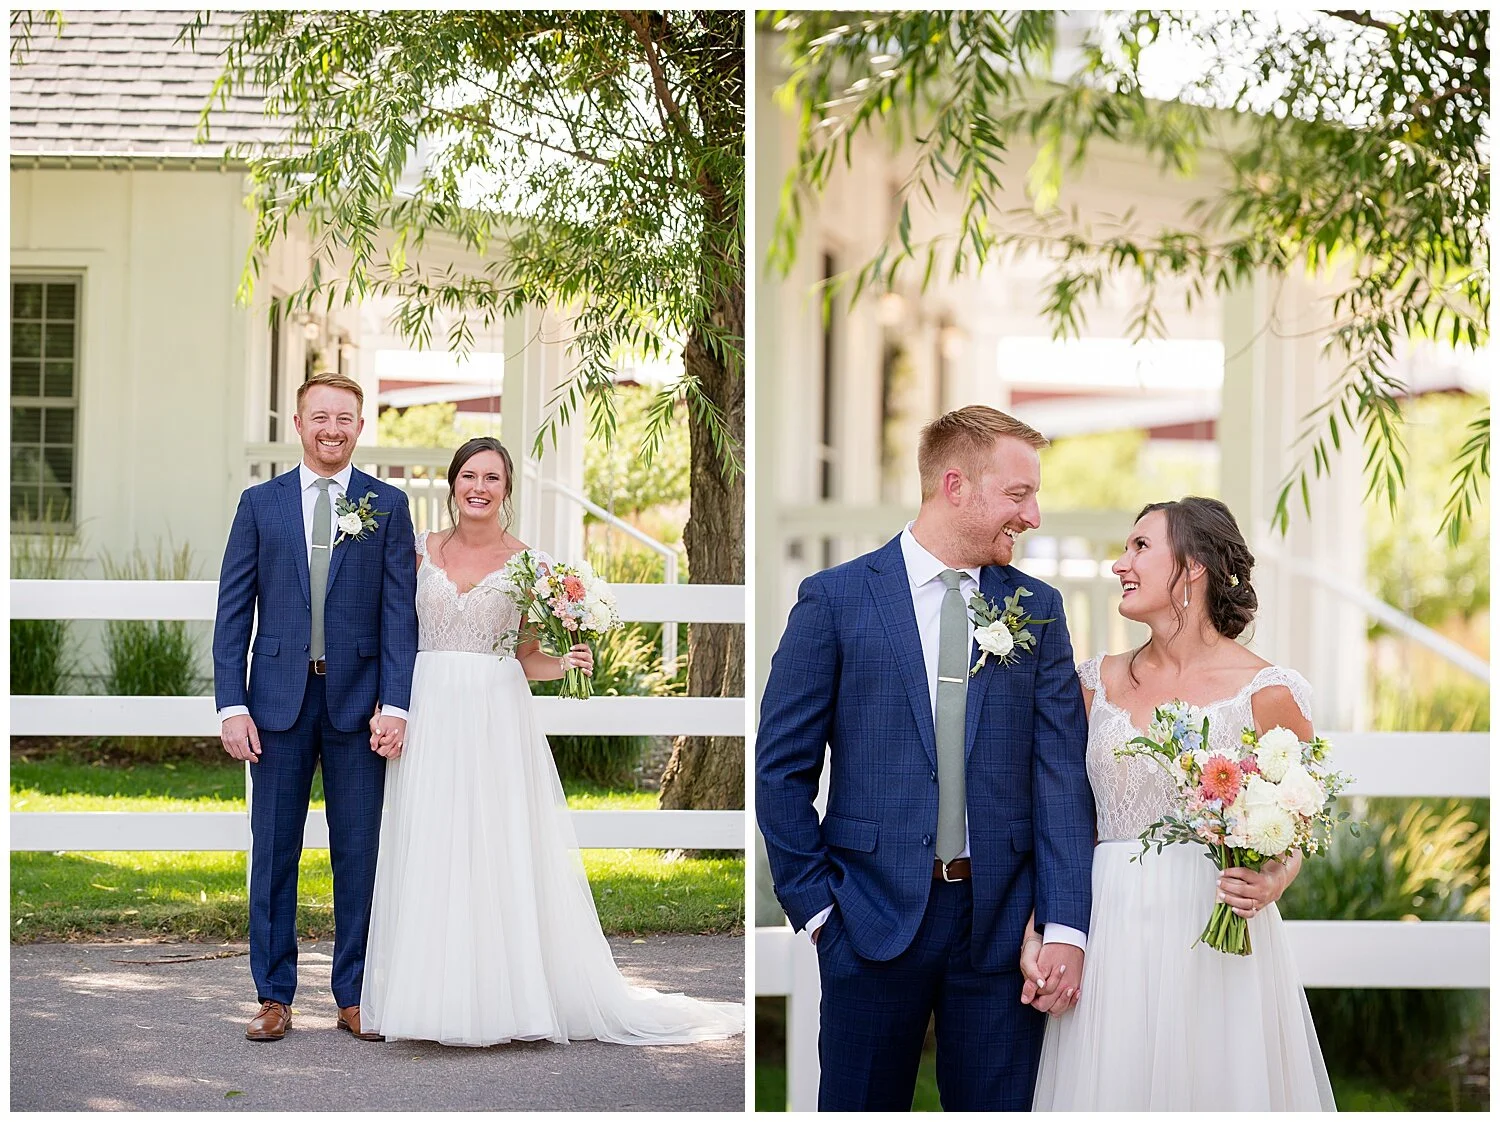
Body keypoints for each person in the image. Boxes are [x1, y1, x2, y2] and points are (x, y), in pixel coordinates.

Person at [756, 405, 1095, 1110]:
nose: (1033, 515)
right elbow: (780, 770)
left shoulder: (1039, 608)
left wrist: (1063, 925)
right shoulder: (836, 600)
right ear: (955, 486)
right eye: (1019, 494)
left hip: (1003, 933)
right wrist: (820, 915)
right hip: (867, 919)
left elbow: (1061, 777)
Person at [359, 436, 743, 1047]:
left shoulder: (529, 565)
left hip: (493, 712)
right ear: (453, 483)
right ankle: (425, 995)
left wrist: (567, 662)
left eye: (492, 478)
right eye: (469, 476)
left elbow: (528, 656)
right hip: (428, 705)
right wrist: (390, 704)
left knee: (494, 845)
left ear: (506, 491)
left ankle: (501, 999)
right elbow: (392, 632)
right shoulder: (418, 550)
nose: (478, 488)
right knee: (428, 841)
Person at [1028, 496, 1337, 1110]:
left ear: (1192, 566)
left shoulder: (1267, 691)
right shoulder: (1094, 683)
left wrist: (1272, 879)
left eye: (1140, 547)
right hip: (1111, 926)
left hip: (1215, 936)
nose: (1121, 563)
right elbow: (1061, 819)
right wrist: (1044, 926)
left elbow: (1301, 818)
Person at [213, 371, 418, 1043]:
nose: (332, 428)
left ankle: (354, 995)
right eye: (319, 417)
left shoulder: (385, 505)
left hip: (359, 709)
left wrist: (397, 706)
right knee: (273, 853)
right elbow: (233, 611)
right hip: (274, 705)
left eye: (345, 418)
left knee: (358, 854)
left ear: (361, 427)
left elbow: (398, 616)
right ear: (298, 424)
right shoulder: (259, 504)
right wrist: (230, 706)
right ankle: (273, 996)